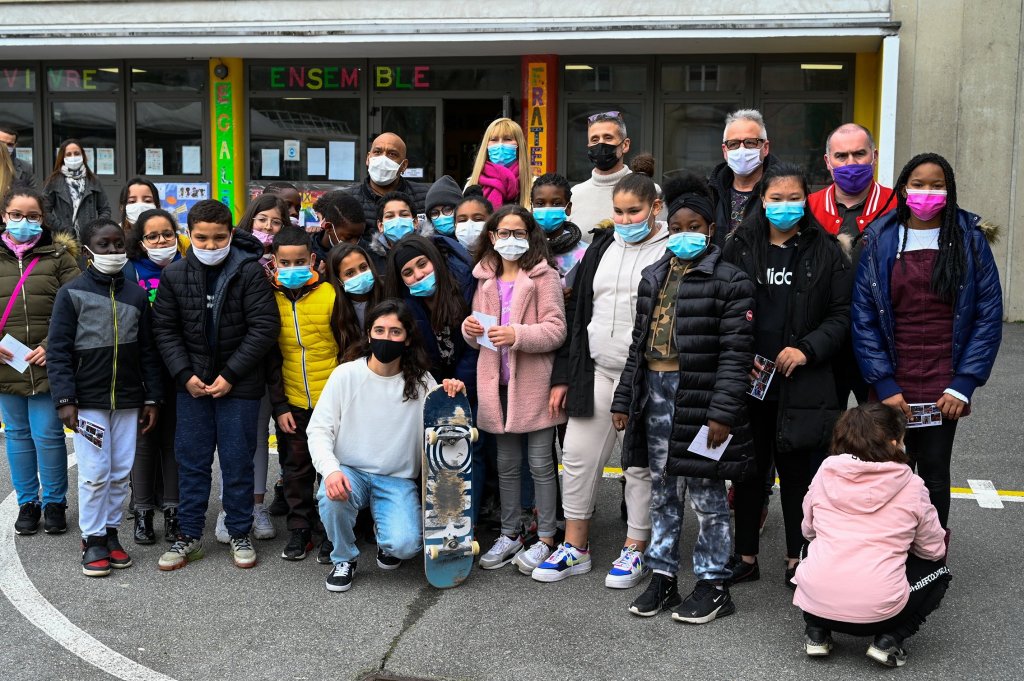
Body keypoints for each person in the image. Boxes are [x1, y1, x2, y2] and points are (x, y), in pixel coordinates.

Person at [609, 172, 756, 624]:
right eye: (678, 226)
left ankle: (713, 583)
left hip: (702, 397)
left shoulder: (731, 281)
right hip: (654, 394)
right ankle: (663, 576)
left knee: (709, 495)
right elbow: (640, 344)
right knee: (662, 491)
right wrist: (622, 399)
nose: (686, 233)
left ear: (710, 230)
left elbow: (737, 353)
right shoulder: (654, 276)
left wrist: (722, 412)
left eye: (696, 226)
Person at [851, 152, 1003, 528]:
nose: (927, 192)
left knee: (934, 472)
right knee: (887, 470)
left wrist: (963, 384)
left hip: (944, 379)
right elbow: (864, 317)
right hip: (893, 376)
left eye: (937, 186)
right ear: (904, 188)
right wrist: (883, 382)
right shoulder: (880, 237)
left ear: (949, 192)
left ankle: (931, 556)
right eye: (918, 184)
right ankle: (889, 550)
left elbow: (987, 316)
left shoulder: (969, 239)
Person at [722, 162, 851, 589]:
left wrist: (807, 348)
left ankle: (799, 556)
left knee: (801, 476)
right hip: (752, 381)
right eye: (775, 198)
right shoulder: (740, 246)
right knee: (748, 472)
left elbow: (841, 314)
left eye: (793, 197)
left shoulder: (826, 250)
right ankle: (745, 556)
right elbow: (723, 307)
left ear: (806, 199)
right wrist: (741, 354)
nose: (784, 206)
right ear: (762, 200)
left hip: (805, 383)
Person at [537, 173, 668, 587]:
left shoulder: (669, 250)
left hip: (646, 379)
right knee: (576, 458)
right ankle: (576, 547)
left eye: (635, 211)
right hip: (596, 370)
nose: (626, 218)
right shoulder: (601, 245)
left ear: (655, 209)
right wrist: (564, 376)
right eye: (619, 211)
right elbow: (578, 316)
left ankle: (635, 548)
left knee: (638, 466)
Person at [151, 199, 279, 571]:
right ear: (188, 235)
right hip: (190, 386)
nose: (209, 246)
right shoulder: (174, 274)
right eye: (201, 238)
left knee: (238, 461)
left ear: (230, 235)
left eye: (218, 238)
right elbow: (165, 329)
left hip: (238, 385)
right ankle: (188, 536)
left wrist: (231, 375)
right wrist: (185, 375)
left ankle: (240, 531)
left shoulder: (250, 271)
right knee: (191, 460)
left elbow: (263, 328)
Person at [308, 299, 464, 592]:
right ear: (368, 334)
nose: (386, 338)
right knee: (330, 497)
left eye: (395, 332)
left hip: (396, 478)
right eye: (379, 330)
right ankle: (344, 558)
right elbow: (318, 430)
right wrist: (330, 472)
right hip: (350, 471)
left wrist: (453, 396)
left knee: (405, 547)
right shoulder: (346, 374)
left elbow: (445, 430)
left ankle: (386, 537)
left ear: (407, 339)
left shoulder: (421, 382)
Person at [46, 217, 162, 577]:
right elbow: (59, 350)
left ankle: (111, 533)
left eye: (118, 245)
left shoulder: (137, 295)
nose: (113, 251)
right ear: (87, 251)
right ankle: (92, 538)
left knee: (118, 472)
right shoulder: (72, 293)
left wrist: (152, 398)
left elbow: (148, 352)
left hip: (128, 401)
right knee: (95, 473)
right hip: (88, 402)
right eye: (104, 244)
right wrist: (65, 398)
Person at [794, 403, 951, 668]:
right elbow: (932, 550)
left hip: (816, 602)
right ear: (893, 442)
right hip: (881, 614)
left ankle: (816, 632)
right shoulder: (911, 484)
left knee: (809, 548)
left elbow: (808, 530)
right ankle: (890, 639)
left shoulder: (825, 473)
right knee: (939, 571)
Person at [462, 205, 567, 574]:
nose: (510, 240)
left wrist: (517, 335)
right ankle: (510, 532)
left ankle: (548, 537)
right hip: (497, 386)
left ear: (529, 235)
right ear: (491, 237)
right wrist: (470, 331)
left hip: (534, 386)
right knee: (506, 465)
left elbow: (556, 330)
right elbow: (479, 336)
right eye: (503, 233)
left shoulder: (544, 276)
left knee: (540, 464)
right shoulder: (484, 279)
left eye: (518, 233)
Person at [0, 186, 80, 536]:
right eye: (16, 215)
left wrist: (53, 345)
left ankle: (55, 503)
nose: (24, 222)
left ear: (43, 219)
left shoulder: (60, 257)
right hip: (6, 364)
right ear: (4, 216)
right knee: (16, 434)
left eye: (32, 216)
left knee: (48, 435)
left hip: (50, 363)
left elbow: (79, 306)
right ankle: (28, 503)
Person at [217, 192, 292, 542]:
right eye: (262, 220)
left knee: (261, 436)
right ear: (250, 219)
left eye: (276, 222)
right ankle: (229, 506)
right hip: (235, 358)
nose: (268, 227)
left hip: (272, 361)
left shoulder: (288, 264)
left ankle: (257, 504)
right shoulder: (230, 256)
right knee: (233, 438)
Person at [266, 226, 342, 561]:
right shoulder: (268, 298)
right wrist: (279, 404)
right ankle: (300, 530)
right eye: (285, 261)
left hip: (332, 402)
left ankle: (330, 531)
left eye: (300, 260)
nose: (293, 267)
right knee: (295, 469)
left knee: (332, 468)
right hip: (292, 402)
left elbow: (346, 346)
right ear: (274, 262)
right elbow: (269, 357)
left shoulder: (331, 294)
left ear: (312, 259)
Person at [808, 123, 896, 408]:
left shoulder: (899, 206)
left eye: (859, 154)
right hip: (825, 342)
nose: (851, 163)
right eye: (841, 156)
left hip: (880, 342)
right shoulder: (807, 208)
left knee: (880, 432)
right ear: (827, 161)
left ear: (874, 156)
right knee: (821, 432)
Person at [124, 208, 190, 543]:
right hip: (141, 370)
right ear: (140, 241)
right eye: (153, 236)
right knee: (143, 442)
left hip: (180, 369)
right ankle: (143, 512)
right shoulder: (130, 270)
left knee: (174, 442)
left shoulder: (188, 266)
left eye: (167, 233)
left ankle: (174, 511)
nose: (161, 240)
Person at [708, 109, 774, 247]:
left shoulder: (784, 192)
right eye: (734, 144)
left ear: (765, 148)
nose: (742, 149)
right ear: (725, 151)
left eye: (750, 142)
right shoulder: (711, 193)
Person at [345, 133, 430, 237]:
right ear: (368, 158)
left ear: (403, 165)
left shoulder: (425, 197)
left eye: (392, 154)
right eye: (377, 152)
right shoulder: (348, 199)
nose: (383, 159)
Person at [569, 112, 634, 242]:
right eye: (594, 139)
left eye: (608, 138)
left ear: (625, 145)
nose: (601, 144)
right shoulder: (574, 195)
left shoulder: (647, 190)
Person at [325, 242, 384, 360]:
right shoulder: (333, 307)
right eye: (350, 273)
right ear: (339, 281)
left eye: (363, 267)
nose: (360, 275)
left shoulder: (387, 294)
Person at [42, 139, 112, 239]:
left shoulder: (93, 180)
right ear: (63, 157)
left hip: (90, 238)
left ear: (82, 155)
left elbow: (105, 209)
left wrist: (96, 228)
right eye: (69, 154)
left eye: (76, 153)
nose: (73, 157)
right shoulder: (53, 181)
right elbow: (44, 210)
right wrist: (62, 228)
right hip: (64, 239)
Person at [529, 173, 587, 290]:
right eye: (540, 203)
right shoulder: (522, 248)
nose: (548, 208)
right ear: (532, 207)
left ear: (568, 208)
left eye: (556, 203)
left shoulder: (585, 253)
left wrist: (574, 296)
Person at [466, 118, 531, 211]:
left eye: (507, 139)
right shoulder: (473, 183)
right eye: (494, 139)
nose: (500, 145)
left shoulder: (533, 184)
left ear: (519, 145)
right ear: (486, 145)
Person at [367, 190, 420, 272]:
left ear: (415, 222)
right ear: (380, 226)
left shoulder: (430, 250)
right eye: (390, 216)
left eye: (404, 215)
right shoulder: (371, 260)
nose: (397, 220)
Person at [311, 190, 365, 262]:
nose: (355, 244)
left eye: (359, 237)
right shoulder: (307, 252)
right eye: (348, 237)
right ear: (329, 228)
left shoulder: (367, 252)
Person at [453, 187, 493, 255]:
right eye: (462, 220)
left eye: (478, 219)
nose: (469, 225)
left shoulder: (502, 257)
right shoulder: (446, 257)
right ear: (455, 224)